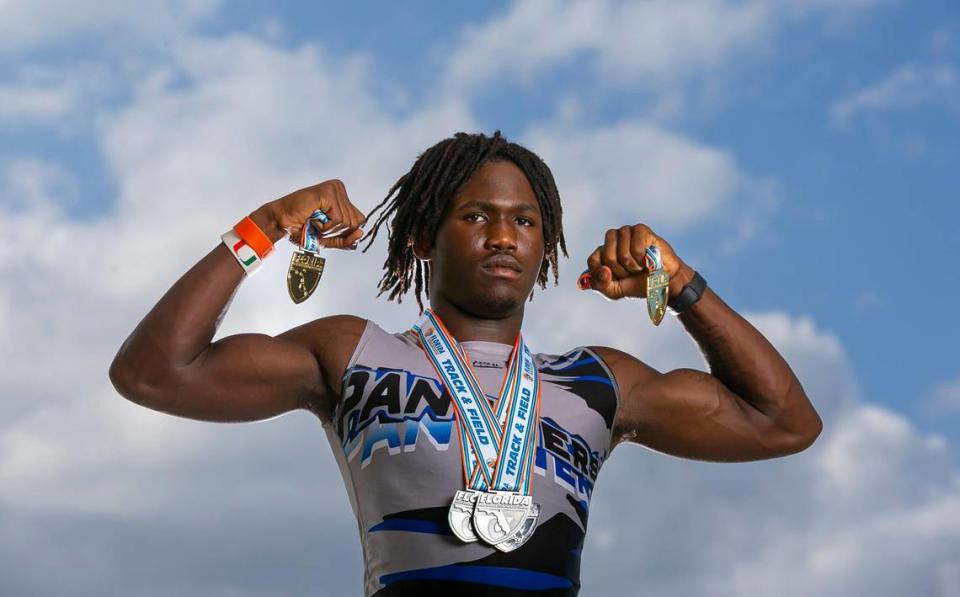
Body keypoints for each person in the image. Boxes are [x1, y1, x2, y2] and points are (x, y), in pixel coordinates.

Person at [109, 130, 822, 596]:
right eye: (476, 216)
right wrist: (262, 226)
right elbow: (154, 372)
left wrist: (682, 282)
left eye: (525, 221)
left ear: (546, 248)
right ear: (421, 236)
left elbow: (784, 421)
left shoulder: (598, 381)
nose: (504, 236)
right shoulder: (353, 352)